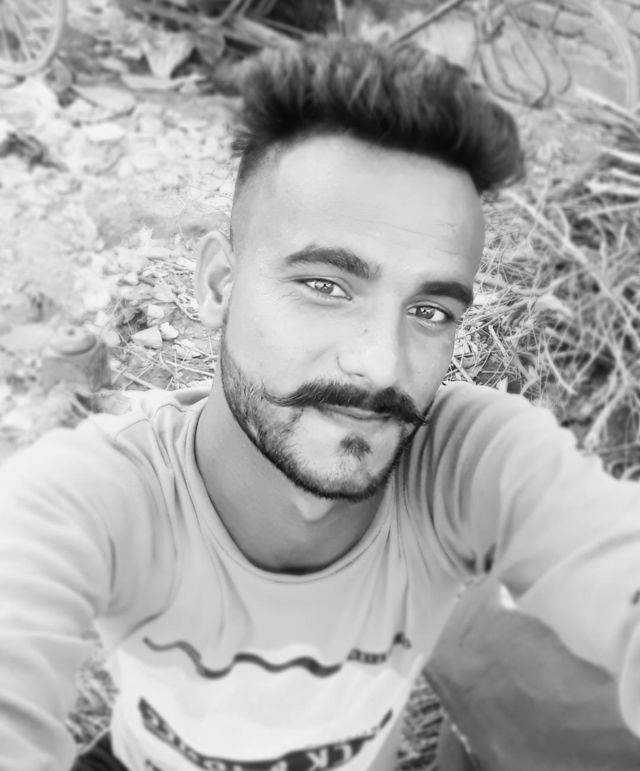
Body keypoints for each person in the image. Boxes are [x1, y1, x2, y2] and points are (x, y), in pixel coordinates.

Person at [1, 37, 639, 771]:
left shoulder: (461, 465)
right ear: (218, 286)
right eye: (326, 286)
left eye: (430, 310)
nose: (381, 363)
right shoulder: (94, 495)